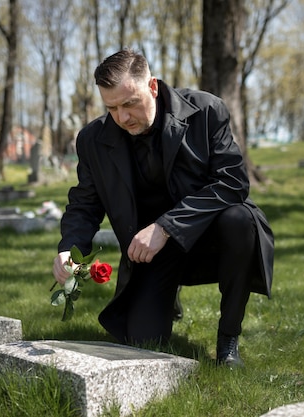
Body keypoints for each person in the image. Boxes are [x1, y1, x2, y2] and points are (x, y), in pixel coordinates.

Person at [53, 49, 274, 368]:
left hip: (211, 241)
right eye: (112, 108)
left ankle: (228, 339)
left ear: (152, 87)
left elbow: (233, 182)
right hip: (150, 254)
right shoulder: (92, 140)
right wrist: (69, 250)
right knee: (143, 342)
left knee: (240, 218)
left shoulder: (207, 110)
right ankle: (168, 296)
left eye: (130, 103)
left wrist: (166, 227)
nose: (123, 118)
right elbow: (85, 204)